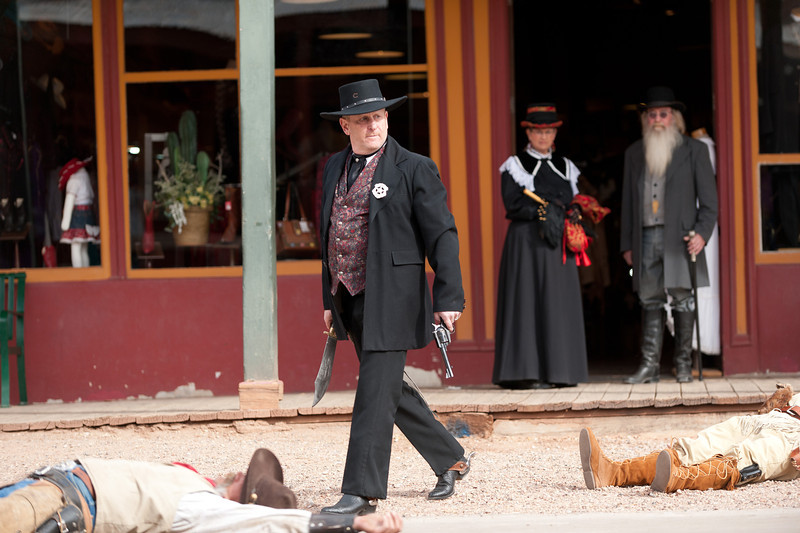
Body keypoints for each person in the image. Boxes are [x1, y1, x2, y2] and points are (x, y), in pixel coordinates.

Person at [318, 79, 472, 515]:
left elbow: (442, 234)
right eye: (363, 119)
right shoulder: (333, 167)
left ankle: (361, 493)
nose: (373, 125)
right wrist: (329, 302)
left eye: (379, 116)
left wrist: (449, 298)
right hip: (350, 296)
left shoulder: (414, 167)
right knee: (387, 389)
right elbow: (329, 237)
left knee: (372, 393)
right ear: (344, 125)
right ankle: (450, 456)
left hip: (394, 298)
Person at [0, 448, 403, 533]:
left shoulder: (206, 508)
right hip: (53, 482)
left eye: (246, 477)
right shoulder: (191, 484)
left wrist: (352, 523)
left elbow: (276, 520)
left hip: (63, 501)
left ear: (244, 494)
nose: (238, 473)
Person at [620, 86, 718, 384]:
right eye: (652, 115)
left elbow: (710, 202)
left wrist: (702, 234)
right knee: (648, 298)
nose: (658, 119)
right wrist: (627, 244)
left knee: (682, 297)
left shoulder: (695, 150)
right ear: (645, 119)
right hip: (645, 236)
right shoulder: (634, 153)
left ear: (674, 118)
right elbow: (627, 203)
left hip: (682, 236)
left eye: (664, 114)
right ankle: (649, 367)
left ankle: (683, 365)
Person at [492, 104, 589, 390]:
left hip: (559, 244)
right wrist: (543, 211)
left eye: (548, 131)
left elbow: (575, 201)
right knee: (527, 303)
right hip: (527, 243)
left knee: (559, 304)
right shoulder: (514, 164)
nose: (543, 137)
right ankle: (524, 373)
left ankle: (562, 372)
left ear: (555, 132)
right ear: (529, 133)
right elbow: (512, 205)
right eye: (538, 131)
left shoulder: (566, 166)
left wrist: (573, 212)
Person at [579, 384, 800, 493]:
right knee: (696, 446)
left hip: (793, 440)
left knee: (743, 459)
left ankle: (677, 479)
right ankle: (611, 473)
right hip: (772, 419)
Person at [59, 157, 100, 268]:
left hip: (78, 215)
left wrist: (65, 223)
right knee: (84, 247)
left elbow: (69, 201)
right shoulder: (86, 177)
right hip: (88, 213)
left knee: (76, 246)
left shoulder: (74, 180)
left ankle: (78, 274)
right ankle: (85, 272)